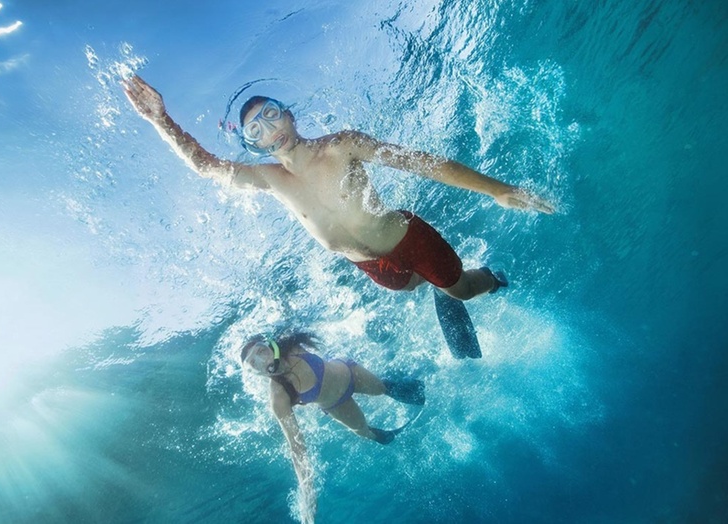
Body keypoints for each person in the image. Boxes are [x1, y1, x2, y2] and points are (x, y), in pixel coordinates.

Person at [122, 75, 554, 300]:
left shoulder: (342, 145)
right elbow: (205, 166)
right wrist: (161, 120)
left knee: (461, 291)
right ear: (253, 145)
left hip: (407, 239)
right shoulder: (270, 179)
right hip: (373, 268)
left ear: (289, 115)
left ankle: (490, 279)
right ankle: (435, 286)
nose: (269, 129)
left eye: (272, 114)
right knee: (410, 287)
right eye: (256, 130)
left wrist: (496, 189)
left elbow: (421, 163)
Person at [239, 331, 425, 523]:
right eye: (253, 363)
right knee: (364, 432)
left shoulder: (292, 348)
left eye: (261, 351)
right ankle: (395, 436)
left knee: (380, 389)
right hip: (337, 404)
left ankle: (414, 386)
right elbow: (297, 447)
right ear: (254, 373)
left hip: (350, 373)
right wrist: (307, 492)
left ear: (269, 346)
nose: (261, 360)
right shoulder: (279, 396)